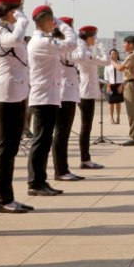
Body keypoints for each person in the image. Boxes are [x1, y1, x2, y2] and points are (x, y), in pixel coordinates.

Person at [0, 0, 34, 213]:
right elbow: (16, 41)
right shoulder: (1, 32)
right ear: (11, 11)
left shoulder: (10, 31)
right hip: (6, 95)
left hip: (16, 93)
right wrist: (23, 19)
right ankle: (3, 199)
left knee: (12, 148)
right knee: (6, 149)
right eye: (19, 9)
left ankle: (8, 197)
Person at [27, 5, 77, 196]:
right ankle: (35, 182)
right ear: (49, 21)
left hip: (48, 96)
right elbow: (71, 44)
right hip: (43, 98)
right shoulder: (41, 42)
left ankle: (40, 181)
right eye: (52, 21)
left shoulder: (43, 41)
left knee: (44, 141)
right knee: (40, 142)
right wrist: (63, 25)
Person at [52, 16, 83, 181]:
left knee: (63, 134)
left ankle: (63, 169)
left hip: (68, 92)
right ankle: (60, 170)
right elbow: (80, 56)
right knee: (61, 134)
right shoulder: (60, 45)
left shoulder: (63, 45)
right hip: (64, 93)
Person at [75, 25, 110, 169]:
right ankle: (85, 159)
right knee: (85, 127)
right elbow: (107, 61)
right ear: (89, 37)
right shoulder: (86, 54)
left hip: (87, 92)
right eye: (94, 37)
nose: (95, 40)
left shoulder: (85, 51)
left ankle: (86, 158)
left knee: (86, 127)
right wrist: (101, 45)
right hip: (86, 94)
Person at [111, 35, 134, 145]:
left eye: (124, 43)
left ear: (131, 45)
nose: (123, 45)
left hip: (132, 85)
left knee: (133, 112)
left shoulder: (133, 56)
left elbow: (120, 68)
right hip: (133, 84)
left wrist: (112, 61)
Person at [104, 48, 124, 124]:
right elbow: (106, 76)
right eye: (112, 54)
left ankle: (118, 117)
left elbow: (123, 75)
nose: (114, 55)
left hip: (119, 85)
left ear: (117, 55)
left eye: (115, 54)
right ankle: (111, 118)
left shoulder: (121, 63)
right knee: (111, 102)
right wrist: (108, 85)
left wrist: (122, 85)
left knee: (118, 102)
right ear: (110, 55)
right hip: (110, 85)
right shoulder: (107, 65)